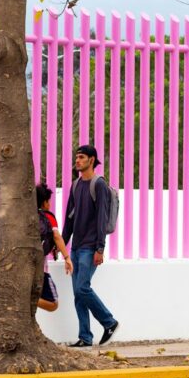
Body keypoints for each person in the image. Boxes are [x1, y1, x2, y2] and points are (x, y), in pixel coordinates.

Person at [61, 144, 119, 347]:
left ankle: (109, 322)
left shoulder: (99, 185)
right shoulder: (75, 185)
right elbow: (69, 218)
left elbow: (102, 219)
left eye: (82, 157)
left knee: (82, 288)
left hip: (90, 248)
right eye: (76, 157)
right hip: (76, 247)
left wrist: (100, 249)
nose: (77, 161)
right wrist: (61, 243)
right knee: (78, 294)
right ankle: (85, 338)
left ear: (92, 160)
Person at [36, 183, 73, 312]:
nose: (49, 204)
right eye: (49, 201)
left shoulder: (27, 217)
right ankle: (27, 300)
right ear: (44, 202)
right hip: (41, 269)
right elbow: (56, 236)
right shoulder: (48, 217)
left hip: (25, 265)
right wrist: (67, 257)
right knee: (53, 304)